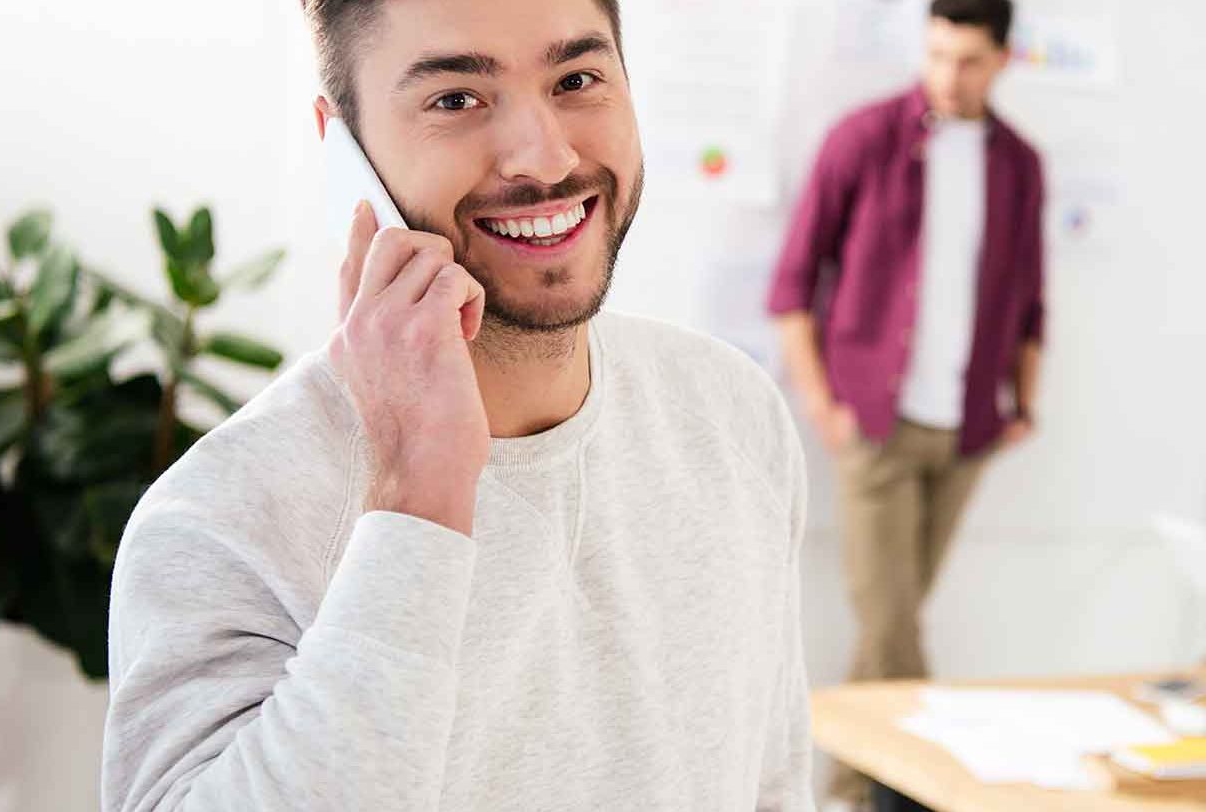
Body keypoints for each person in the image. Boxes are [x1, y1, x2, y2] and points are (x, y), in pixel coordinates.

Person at [101, 1, 813, 809]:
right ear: (344, 149)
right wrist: (415, 498)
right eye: (456, 100)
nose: (545, 158)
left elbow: (775, 786)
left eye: (577, 79)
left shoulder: (731, 416)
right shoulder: (220, 518)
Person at [766, 0, 1044, 804]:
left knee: (892, 625)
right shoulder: (863, 138)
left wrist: (1023, 398)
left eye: (968, 61)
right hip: (874, 426)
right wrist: (824, 405)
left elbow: (1031, 297)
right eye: (936, 55)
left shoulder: (1020, 163)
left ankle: (847, 795)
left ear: (1002, 61)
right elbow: (793, 283)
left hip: (969, 431)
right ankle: (929, 792)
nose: (947, 77)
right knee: (893, 629)